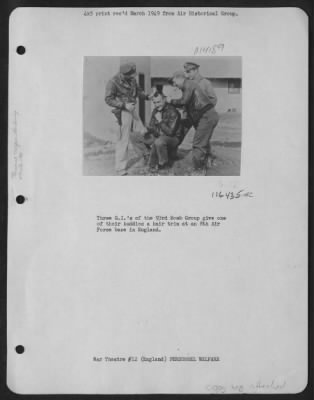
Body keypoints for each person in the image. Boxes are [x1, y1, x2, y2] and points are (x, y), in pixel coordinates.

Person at [105, 62, 151, 176]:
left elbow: (138, 91)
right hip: (121, 112)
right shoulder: (113, 82)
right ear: (124, 74)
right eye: (131, 75)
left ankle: (148, 156)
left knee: (143, 131)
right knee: (123, 140)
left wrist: (146, 96)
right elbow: (108, 99)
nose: (133, 77)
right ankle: (120, 169)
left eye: (133, 75)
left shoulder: (132, 80)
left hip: (132, 109)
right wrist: (124, 105)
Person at [170, 71, 219, 174]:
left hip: (206, 116)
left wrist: (170, 101)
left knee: (198, 144)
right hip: (204, 116)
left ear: (180, 78)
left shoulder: (189, 84)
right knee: (203, 142)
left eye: (175, 82)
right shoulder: (188, 86)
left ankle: (199, 170)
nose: (175, 86)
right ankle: (208, 161)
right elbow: (187, 105)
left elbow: (184, 101)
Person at [130, 92, 182, 173]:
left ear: (164, 100)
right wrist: (147, 129)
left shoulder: (173, 111)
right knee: (134, 136)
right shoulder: (155, 110)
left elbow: (170, 132)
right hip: (158, 135)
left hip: (172, 138)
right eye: (154, 102)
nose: (157, 105)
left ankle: (164, 165)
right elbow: (152, 126)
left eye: (159, 102)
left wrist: (160, 121)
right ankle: (147, 156)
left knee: (159, 141)